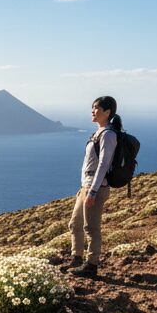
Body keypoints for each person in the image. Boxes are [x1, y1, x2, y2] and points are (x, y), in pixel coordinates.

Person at [64, 95, 121, 278]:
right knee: (75, 224)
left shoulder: (109, 135)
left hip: (95, 189)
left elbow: (104, 165)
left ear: (107, 112)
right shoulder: (97, 133)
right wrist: (84, 188)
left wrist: (93, 191)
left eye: (96, 108)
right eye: (93, 107)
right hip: (86, 187)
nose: (93, 111)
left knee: (91, 228)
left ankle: (91, 265)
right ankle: (77, 258)